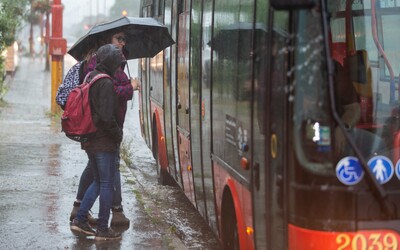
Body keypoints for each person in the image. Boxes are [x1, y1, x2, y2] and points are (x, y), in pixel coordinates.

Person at [69, 29, 140, 227]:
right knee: (105, 179)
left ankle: (81, 212)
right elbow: (107, 105)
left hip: (97, 134)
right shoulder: (102, 74)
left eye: (124, 39)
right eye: (119, 39)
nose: (123, 43)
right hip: (103, 134)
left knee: (98, 175)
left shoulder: (103, 69)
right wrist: (130, 87)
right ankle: (103, 221)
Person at [70, 44, 125, 240]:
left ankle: (80, 218)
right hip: (103, 142)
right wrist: (117, 133)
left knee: (98, 181)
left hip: (89, 139)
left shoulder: (90, 76)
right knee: (107, 184)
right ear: (110, 62)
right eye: (117, 63)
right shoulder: (106, 83)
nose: (119, 67)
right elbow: (106, 117)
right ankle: (102, 227)